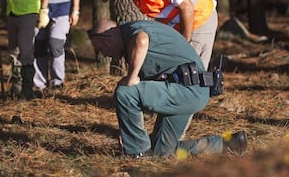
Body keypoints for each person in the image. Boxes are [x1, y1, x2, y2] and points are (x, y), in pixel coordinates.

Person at [88, 18, 247, 158]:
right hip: (192, 91)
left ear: (107, 39)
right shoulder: (132, 33)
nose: (104, 55)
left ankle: (137, 154)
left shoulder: (132, 32)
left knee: (125, 92)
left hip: (187, 90)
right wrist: (130, 133)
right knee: (161, 151)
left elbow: (142, 40)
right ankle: (228, 144)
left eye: (101, 48)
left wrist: (131, 77)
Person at [93, 0, 218, 71]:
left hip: (199, 19)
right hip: (179, 25)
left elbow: (187, 8)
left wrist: (183, 46)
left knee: (191, 73)